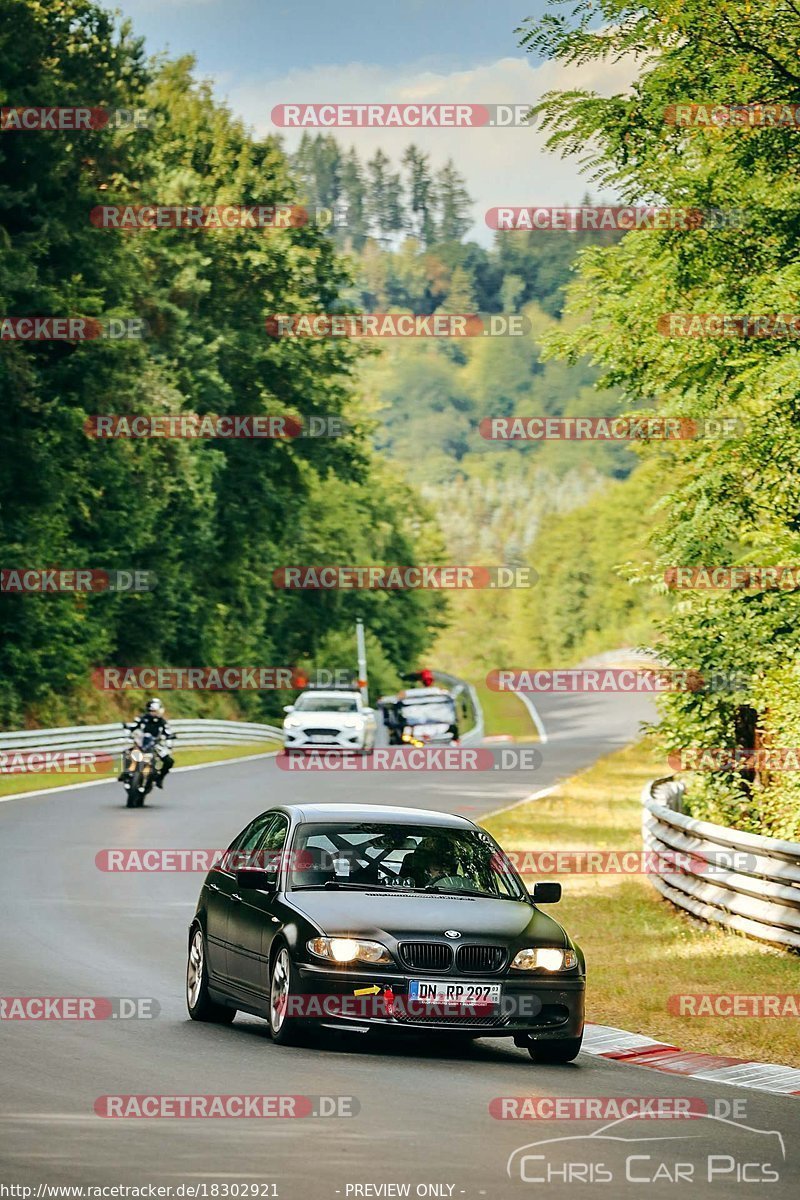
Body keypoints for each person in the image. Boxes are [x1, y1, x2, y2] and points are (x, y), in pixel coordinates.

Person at [118, 697, 175, 789]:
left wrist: (169, 743)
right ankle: (126, 772)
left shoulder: (163, 722)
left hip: (156, 745)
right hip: (141, 743)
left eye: (155, 711)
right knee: (126, 752)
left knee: (169, 761)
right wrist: (128, 731)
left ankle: (159, 778)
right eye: (152, 711)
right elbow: (133, 726)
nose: (153, 713)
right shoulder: (142, 718)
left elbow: (168, 733)